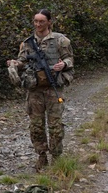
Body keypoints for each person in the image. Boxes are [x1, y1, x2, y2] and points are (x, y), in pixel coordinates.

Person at [6, 9, 74, 171]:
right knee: (36, 125)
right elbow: (22, 61)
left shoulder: (60, 40)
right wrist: (15, 63)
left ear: (49, 22)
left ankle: (57, 157)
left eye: (42, 21)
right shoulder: (28, 43)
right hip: (34, 90)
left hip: (53, 88)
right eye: (36, 21)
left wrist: (63, 64)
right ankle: (41, 156)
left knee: (55, 126)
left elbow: (69, 59)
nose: (38, 24)